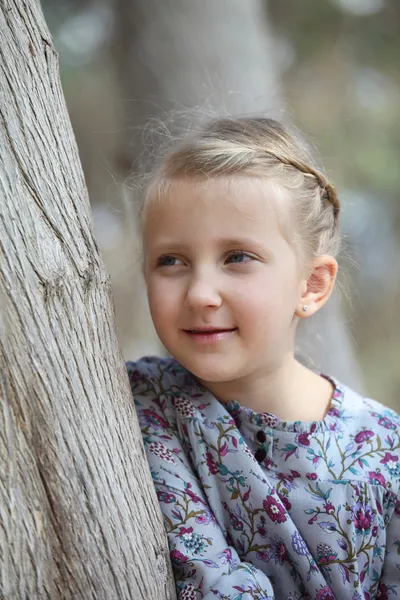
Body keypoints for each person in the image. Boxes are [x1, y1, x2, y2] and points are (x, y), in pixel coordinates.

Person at [126, 117, 400, 600]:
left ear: (311, 285)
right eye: (171, 260)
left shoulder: (385, 452)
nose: (201, 293)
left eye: (237, 257)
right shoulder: (141, 405)